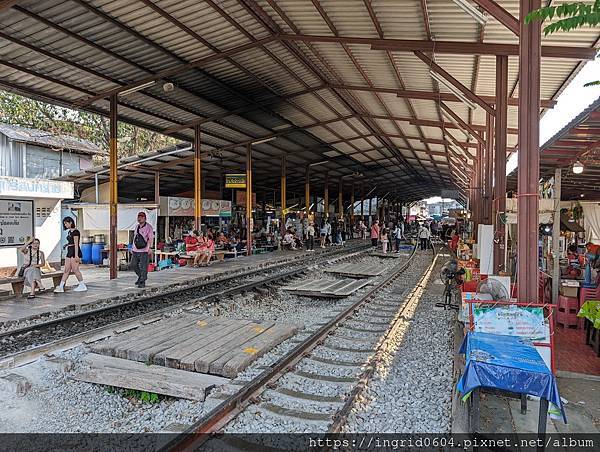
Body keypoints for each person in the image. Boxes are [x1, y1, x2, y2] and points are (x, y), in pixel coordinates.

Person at [54, 217, 87, 293]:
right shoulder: (69, 231)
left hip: (74, 252)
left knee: (75, 269)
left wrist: (76, 256)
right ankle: (61, 287)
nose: (65, 224)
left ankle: (82, 285)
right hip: (69, 251)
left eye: (66, 223)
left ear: (70, 222)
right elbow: (71, 242)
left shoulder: (76, 232)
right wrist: (66, 245)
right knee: (66, 270)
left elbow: (76, 244)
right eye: (64, 223)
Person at [131, 211, 154, 288]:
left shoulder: (149, 227)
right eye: (138, 217)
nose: (139, 219)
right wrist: (132, 247)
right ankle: (141, 277)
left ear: (145, 218)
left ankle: (142, 281)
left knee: (144, 266)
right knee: (133, 265)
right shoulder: (136, 227)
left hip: (144, 250)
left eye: (141, 217)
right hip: (135, 250)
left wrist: (150, 248)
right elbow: (135, 238)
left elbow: (151, 238)